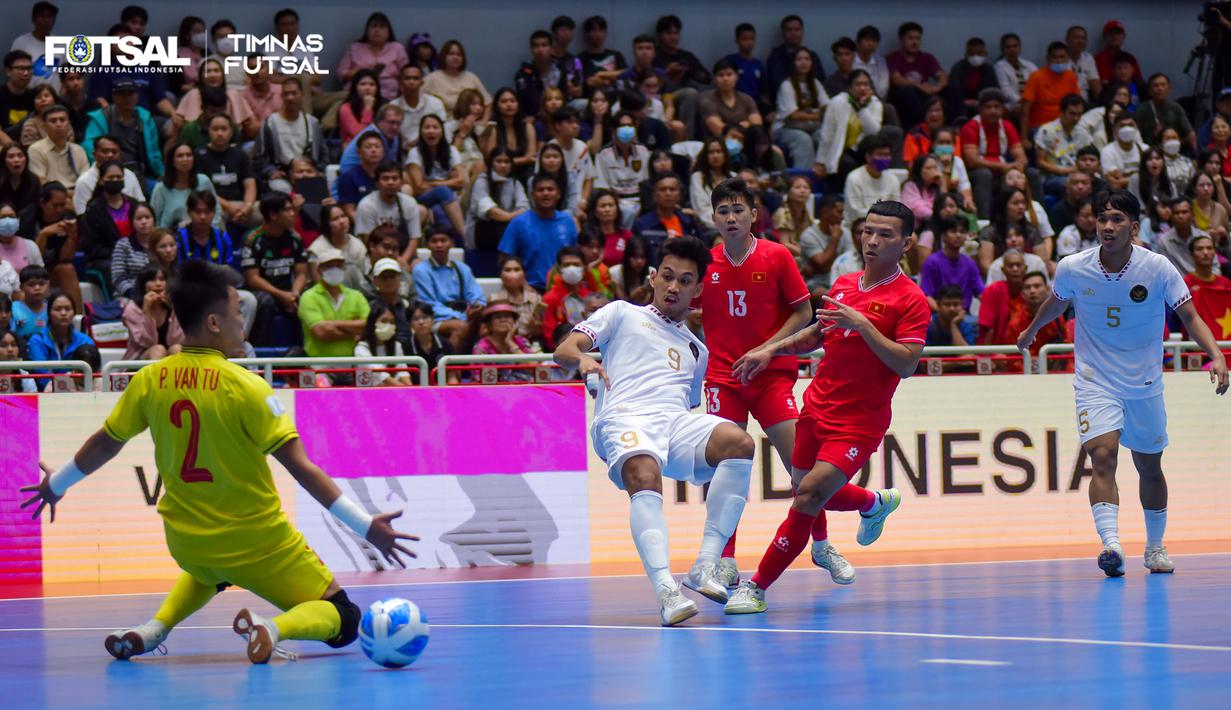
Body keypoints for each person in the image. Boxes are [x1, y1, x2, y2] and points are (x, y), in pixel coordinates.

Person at [21, 260, 417, 660]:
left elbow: (106, 443)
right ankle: (274, 628)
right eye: (237, 313)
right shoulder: (247, 386)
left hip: (188, 541)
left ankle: (153, 629)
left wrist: (56, 484)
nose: (242, 322)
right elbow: (303, 469)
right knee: (344, 618)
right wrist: (366, 525)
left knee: (209, 571)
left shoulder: (149, 379)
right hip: (257, 542)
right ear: (213, 322)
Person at [723, 201, 928, 615]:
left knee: (810, 496)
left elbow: (906, 364)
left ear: (905, 243)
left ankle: (757, 586)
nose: (872, 241)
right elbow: (818, 333)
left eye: (885, 234)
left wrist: (864, 326)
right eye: (868, 231)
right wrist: (770, 351)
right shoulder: (844, 283)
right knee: (807, 491)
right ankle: (874, 503)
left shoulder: (911, 299)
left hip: (859, 422)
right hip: (816, 408)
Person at [1018, 189, 1228, 576]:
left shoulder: (1159, 268)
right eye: (1102, 219)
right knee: (1102, 457)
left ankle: (1155, 546)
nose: (1107, 226)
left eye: (1117, 220)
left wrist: (1215, 354)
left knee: (1149, 467)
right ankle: (1112, 545)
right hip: (1095, 380)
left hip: (1144, 382)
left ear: (1133, 227)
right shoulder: (1072, 267)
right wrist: (1033, 329)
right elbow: (1058, 300)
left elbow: (1191, 316)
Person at [554, 235, 754, 624]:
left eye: (684, 280)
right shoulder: (621, 313)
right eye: (667, 276)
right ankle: (666, 590)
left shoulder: (698, 350)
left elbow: (689, 406)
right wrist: (583, 361)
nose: (673, 287)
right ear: (653, 278)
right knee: (645, 473)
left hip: (674, 422)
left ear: (697, 290)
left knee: (738, 442)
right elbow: (565, 348)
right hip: (624, 415)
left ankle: (706, 564)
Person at [703, 178, 880, 588]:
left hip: (771, 378)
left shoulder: (777, 256)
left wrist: (766, 350)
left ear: (753, 215)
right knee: (723, 474)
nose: (730, 217)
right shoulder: (706, 263)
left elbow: (803, 314)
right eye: (723, 211)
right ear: (713, 217)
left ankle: (823, 544)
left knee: (804, 476)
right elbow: (676, 308)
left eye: (738, 210)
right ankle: (725, 559)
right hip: (723, 380)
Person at [241, 193, 307, 346]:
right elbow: (253, 278)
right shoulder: (253, 239)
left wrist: (294, 294)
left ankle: (303, 353)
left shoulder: (295, 238)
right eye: (288, 210)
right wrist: (281, 295)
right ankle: (260, 353)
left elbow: (301, 273)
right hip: (263, 291)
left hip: (289, 291)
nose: (293, 213)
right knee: (266, 302)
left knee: (308, 299)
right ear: (273, 215)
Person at [499, 173, 579, 291]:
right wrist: (524, 286)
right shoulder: (518, 223)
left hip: (563, 289)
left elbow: (576, 256)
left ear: (558, 194)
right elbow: (504, 259)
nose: (546, 193)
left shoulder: (568, 221)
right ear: (532, 195)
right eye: (540, 190)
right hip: (528, 289)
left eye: (550, 189)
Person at [413, 225, 486, 351]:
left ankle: (479, 368)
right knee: (459, 327)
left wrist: (477, 306)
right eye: (434, 241)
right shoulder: (421, 270)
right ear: (427, 245)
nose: (439, 245)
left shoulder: (462, 268)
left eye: (443, 240)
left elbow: (476, 296)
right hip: (435, 320)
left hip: (464, 315)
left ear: (452, 243)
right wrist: (460, 316)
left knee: (489, 327)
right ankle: (449, 370)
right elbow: (429, 305)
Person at [961, 88, 1029, 218]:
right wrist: (1005, 167)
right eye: (988, 107)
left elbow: (1021, 156)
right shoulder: (971, 127)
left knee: (1032, 174)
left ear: (1003, 109)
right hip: (977, 173)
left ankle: (1031, 216)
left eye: (997, 107)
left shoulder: (1007, 126)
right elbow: (972, 161)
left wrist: (1018, 166)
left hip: (1003, 172)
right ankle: (984, 220)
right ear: (980, 109)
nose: (993, 111)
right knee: (984, 174)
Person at [811, 70, 885, 187]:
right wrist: (821, 161)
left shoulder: (875, 104)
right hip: (841, 150)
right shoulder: (837, 102)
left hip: (863, 150)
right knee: (847, 163)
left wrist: (861, 108)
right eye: (858, 84)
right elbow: (827, 134)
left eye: (866, 84)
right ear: (850, 87)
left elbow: (874, 132)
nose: (862, 88)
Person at [298, 247, 370, 366]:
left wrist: (331, 324)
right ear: (319, 269)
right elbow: (321, 332)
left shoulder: (356, 296)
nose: (335, 269)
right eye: (329, 266)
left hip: (353, 364)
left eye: (338, 265)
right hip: (319, 365)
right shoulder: (308, 297)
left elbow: (368, 326)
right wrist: (354, 333)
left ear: (344, 268)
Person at [81, 80, 164, 183]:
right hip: (109, 172)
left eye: (130, 94)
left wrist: (162, 175)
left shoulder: (145, 118)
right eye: (122, 94)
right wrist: (102, 170)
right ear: (113, 96)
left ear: (137, 96)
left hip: (141, 173)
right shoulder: (101, 117)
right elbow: (89, 147)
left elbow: (154, 153)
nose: (127, 98)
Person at [467, 148, 529, 274]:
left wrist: (512, 218)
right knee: (505, 224)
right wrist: (512, 217)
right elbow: (490, 211)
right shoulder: (481, 181)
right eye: (498, 161)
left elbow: (525, 208)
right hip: (482, 232)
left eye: (507, 162)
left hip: (506, 229)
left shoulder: (515, 183)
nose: (503, 165)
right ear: (491, 163)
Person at [195, 114, 257, 235]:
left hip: (241, 205)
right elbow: (202, 189)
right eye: (215, 129)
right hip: (213, 205)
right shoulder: (199, 155)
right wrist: (228, 206)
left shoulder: (240, 155)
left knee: (268, 212)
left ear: (231, 131)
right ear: (208, 131)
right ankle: (222, 250)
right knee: (214, 217)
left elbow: (250, 185)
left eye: (224, 129)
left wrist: (247, 207)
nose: (219, 133)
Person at [406, 114, 467, 238]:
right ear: (421, 131)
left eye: (435, 127)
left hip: (447, 200)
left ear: (442, 131)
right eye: (427, 127)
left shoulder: (452, 151)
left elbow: (461, 181)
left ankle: (459, 246)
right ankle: (465, 237)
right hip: (423, 199)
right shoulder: (415, 153)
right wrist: (448, 182)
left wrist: (435, 183)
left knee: (441, 214)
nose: (431, 131)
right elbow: (419, 187)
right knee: (442, 192)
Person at [80, 161, 139, 285]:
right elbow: (91, 247)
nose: (115, 180)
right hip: (105, 260)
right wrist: (120, 254)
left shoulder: (134, 205)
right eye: (111, 178)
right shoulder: (93, 210)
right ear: (101, 181)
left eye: (119, 177)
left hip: (134, 254)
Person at [652, 15, 710, 139]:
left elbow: (707, 78)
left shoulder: (686, 56)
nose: (673, 37)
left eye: (676, 33)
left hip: (683, 93)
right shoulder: (654, 55)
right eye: (669, 33)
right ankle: (685, 139)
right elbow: (650, 84)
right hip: (661, 95)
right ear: (660, 35)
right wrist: (667, 71)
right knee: (691, 93)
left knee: (701, 97)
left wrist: (689, 70)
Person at [25, 291, 97, 389]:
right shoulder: (37, 341)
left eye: (68, 309)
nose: (63, 313)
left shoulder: (85, 341)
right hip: (47, 392)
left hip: (79, 391)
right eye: (57, 309)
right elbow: (42, 377)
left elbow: (90, 372)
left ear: (74, 313)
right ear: (49, 313)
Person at [773, 48, 830, 170]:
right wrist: (815, 115)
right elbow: (793, 115)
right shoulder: (786, 85)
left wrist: (813, 113)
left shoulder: (815, 83)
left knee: (824, 135)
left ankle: (826, 177)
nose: (803, 62)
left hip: (812, 127)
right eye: (799, 59)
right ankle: (803, 179)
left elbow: (826, 106)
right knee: (803, 139)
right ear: (793, 63)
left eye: (807, 59)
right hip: (786, 128)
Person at [173, 58, 257, 141]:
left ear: (223, 75)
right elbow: (179, 120)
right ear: (200, 76)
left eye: (216, 71)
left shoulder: (233, 94)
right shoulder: (194, 94)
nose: (212, 75)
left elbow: (252, 123)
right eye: (208, 71)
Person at [886, 22, 948, 128]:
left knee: (951, 89)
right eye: (910, 38)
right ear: (901, 40)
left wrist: (937, 87)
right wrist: (919, 86)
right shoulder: (893, 58)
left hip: (923, 95)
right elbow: (897, 79)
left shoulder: (927, 58)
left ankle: (957, 123)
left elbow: (942, 76)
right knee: (909, 91)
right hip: (901, 96)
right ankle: (921, 127)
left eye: (918, 38)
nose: (915, 42)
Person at [337, 12, 408, 102]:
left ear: (388, 31)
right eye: (373, 27)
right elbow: (341, 73)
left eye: (381, 27)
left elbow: (407, 73)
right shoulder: (355, 47)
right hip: (357, 94)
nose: (377, 30)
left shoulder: (397, 48)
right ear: (366, 30)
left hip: (388, 95)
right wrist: (363, 72)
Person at [632, 173, 702, 264]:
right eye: (662, 189)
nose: (668, 193)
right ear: (654, 195)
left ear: (679, 195)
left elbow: (702, 252)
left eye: (672, 189)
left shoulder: (689, 223)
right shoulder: (641, 225)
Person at [541, 246, 601, 350]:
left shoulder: (592, 297)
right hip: (563, 354)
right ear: (559, 269)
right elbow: (549, 335)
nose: (571, 268)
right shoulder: (549, 299)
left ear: (584, 268)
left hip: (593, 352)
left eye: (576, 264)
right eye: (567, 265)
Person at [919, 216, 983, 311]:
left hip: (964, 316)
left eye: (962, 232)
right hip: (938, 315)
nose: (958, 235)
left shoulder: (970, 264)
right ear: (944, 235)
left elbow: (981, 293)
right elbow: (927, 296)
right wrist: (945, 313)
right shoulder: (932, 262)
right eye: (953, 231)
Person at [1020, 43, 1081, 143]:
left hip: (1065, 125)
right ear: (1048, 59)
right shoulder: (1036, 77)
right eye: (1055, 57)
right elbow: (1025, 110)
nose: (1059, 60)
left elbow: (1077, 104)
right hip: (1040, 127)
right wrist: (1024, 138)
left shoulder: (1071, 77)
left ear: (1067, 59)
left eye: (1062, 57)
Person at [1035, 94, 1093, 197]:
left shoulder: (1083, 132)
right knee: (1072, 185)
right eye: (1072, 114)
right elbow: (1040, 162)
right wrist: (1063, 171)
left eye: (1079, 114)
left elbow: (1089, 155)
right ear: (1062, 112)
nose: (1076, 118)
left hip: (1079, 173)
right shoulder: (1046, 131)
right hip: (1054, 176)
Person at [151, 142, 220, 230]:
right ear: (172, 161)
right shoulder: (161, 188)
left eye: (189, 155)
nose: (185, 159)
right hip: (171, 238)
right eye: (180, 156)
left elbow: (216, 209)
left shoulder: (204, 181)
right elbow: (154, 219)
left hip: (204, 234)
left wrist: (210, 229)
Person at [121, 265, 183, 360]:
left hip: (169, 358)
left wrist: (174, 309)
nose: (158, 284)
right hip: (139, 360)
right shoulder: (132, 308)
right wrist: (146, 311)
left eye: (162, 279)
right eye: (152, 280)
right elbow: (148, 342)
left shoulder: (176, 305)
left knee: (177, 349)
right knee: (158, 350)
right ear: (143, 285)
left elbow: (177, 340)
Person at [842, 135, 901, 230]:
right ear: (868, 157)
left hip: (885, 228)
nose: (884, 158)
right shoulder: (854, 178)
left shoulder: (893, 179)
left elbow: (896, 208)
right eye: (880, 154)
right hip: (857, 229)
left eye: (886, 155)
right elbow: (856, 211)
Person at [73, 135, 142, 215]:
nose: (110, 155)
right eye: (105, 151)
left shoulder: (130, 176)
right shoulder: (84, 181)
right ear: (94, 154)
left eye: (114, 152)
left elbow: (140, 206)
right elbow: (82, 214)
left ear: (120, 155)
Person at [26, 104, 86, 195]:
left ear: (69, 124)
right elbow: (41, 183)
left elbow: (86, 181)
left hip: (77, 194)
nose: (58, 124)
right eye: (53, 121)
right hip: (51, 197)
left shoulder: (78, 150)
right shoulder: (35, 149)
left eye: (62, 120)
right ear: (44, 126)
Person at [766, 15, 825, 105]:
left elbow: (820, 80)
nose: (793, 33)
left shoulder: (812, 56)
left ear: (802, 32)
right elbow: (773, 84)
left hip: (810, 104)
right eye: (789, 30)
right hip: (782, 104)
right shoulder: (775, 57)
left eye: (796, 29)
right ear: (783, 33)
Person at [422, 40, 491, 114]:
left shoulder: (471, 77)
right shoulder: (432, 78)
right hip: (442, 123)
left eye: (459, 54)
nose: (455, 57)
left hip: (469, 121)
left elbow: (488, 102)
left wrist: (483, 122)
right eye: (451, 54)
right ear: (444, 56)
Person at [480, 88, 537, 176]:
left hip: (524, 172)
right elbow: (492, 158)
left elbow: (531, 156)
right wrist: (523, 159)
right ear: (497, 106)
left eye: (512, 101)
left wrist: (511, 161)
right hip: (500, 173)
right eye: (504, 101)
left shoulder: (528, 127)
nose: (509, 104)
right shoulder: (493, 128)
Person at [355, 302, 413, 386]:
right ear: (373, 323)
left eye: (392, 322)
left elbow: (402, 371)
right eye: (384, 321)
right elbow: (380, 375)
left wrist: (412, 390)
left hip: (393, 393)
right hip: (368, 394)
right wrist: (404, 389)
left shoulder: (397, 346)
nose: (388, 325)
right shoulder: (361, 348)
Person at [977, 249, 1028, 344]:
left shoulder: (1031, 290)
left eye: (1018, 265)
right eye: (1010, 266)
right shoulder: (993, 290)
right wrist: (986, 356)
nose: (1015, 269)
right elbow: (987, 328)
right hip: (998, 349)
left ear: (1025, 268)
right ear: (1003, 270)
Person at [390, 64, 446, 148]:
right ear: (400, 82)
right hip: (402, 153)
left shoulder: (435, 103)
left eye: (415, 78)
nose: (411, 82)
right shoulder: (392, 107)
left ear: (421, 82)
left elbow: (444, 131)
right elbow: (390, 137)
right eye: (407, 78)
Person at [1136, 74, 1195, 151]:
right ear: (1149, 90)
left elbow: (1189, 134)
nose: (1160, 88)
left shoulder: (1176, 108)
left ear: (1169, 88)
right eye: (1156, 86)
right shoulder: (1142, 109)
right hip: (1150, 153)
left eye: (1163, 85)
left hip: (1174, 150)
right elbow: (1136, 136)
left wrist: (1173, 143)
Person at [490, 255, 543, 342]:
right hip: (504, 344)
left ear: (523, 274)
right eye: (508, 270)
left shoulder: (536, 299)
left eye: (517, 269)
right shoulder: (494, 300)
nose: (512, 274)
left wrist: (536, 329)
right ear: (501, 275)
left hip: (531, 345)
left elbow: (541, 332)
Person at [109, 203, 156, 300]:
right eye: (139, 218)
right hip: (129, 295)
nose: (144, 222)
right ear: (132, 222)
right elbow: (118, 277)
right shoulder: (123, 245)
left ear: (154, 220)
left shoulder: (161, 243)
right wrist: (134, 294)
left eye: (147, 217)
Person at [947, 38, 997, 119]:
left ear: (985, 54)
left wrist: (981, 102)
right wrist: (964, 102)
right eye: (972, 54)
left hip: (983, 104)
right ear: (966, 55)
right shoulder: (958, 68)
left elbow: (995, 90)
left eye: (979, 53)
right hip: (961, 104)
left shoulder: (989, 69)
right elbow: (954, 90)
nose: (975, 57)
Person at [993, 34, 1037, 117]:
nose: (1012, 50)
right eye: (1008, 47)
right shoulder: (999, 66)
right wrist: (1024, 101)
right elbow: (1006, 92)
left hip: (1031, 102)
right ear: (1002, 50)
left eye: (1014, 46)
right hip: (1012, 104)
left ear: (1020, 48)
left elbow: (1039, 84)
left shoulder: (1030, 65)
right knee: (1021, 109)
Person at [338, 68, 383, 147]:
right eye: (363, 84)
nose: (367, 88)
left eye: (372, 85)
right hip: (352, 147)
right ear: (355, 87)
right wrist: (368, 109)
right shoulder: (346, 108)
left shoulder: (382, 106)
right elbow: (360, 136)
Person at [724, 23, 765, 105]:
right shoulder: (730, 61)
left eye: (752, 39)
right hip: (735, 102)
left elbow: (763, 89)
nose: (749, 43)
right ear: (737, 40)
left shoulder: (758, 64)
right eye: (745, 39)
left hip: (755, 102)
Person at [0, 51, 35, 146]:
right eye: (21, 68)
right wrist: (15, 149)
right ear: (8, 71)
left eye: (29, 68)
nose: (26, 73)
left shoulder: (35, 96)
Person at [10, 264, 49, 340]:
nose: (37, 288)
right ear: (21, 287)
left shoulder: (52, 308)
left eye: (41, 284)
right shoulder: (13, 309)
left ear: (47, 285)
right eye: (31, 284)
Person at [0, 143, 39, 214]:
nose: (16, 160)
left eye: (20, 156)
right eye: (11, 157)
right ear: (3, 161)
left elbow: (34, 208)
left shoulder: (33, 181)